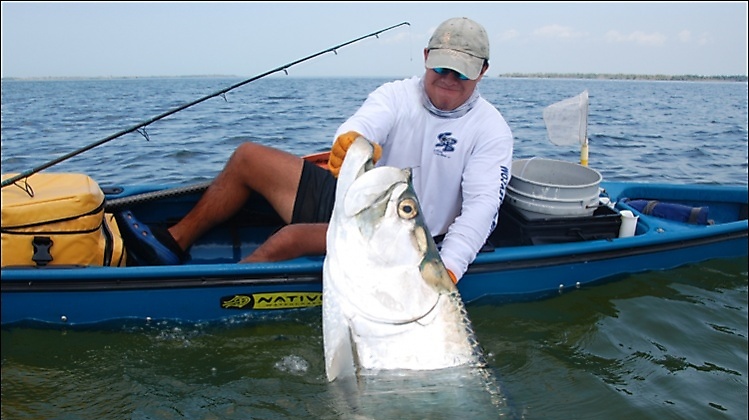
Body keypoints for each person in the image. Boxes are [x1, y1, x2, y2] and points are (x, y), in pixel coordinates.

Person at [118, 17, 513, 283]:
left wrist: (447, 270)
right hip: (356, 203)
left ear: (482, 71)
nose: (449, 79)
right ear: (425, 58)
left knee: (287, 240)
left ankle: (213, 292)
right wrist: (352, 140)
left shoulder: (490, 129)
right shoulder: (396, 94)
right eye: (442, 67)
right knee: (248, 157)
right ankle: (172, 244)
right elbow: (364, 123)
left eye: (462, 71)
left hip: (407, 237)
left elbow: (481, 208)